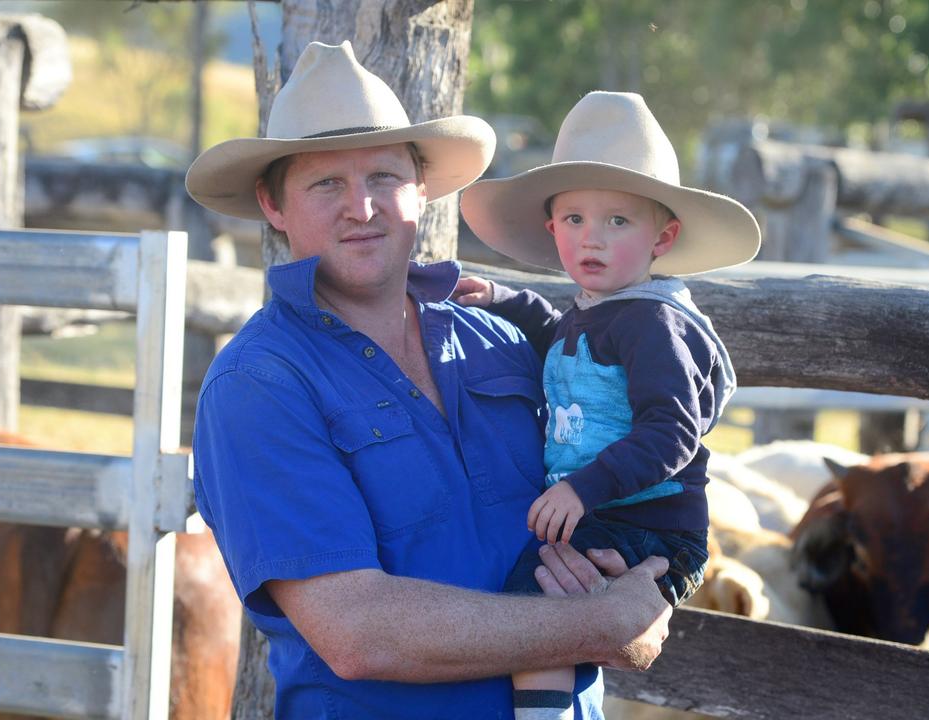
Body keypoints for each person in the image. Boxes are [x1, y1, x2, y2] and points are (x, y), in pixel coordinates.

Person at [184, 42, 672, 719]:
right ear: (273, 204)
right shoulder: (258, 384)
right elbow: (357, 632)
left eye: (383, 177)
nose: (362, 207)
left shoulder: (500, 342)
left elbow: (621, 484)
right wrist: (604, 625)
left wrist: (646, 583)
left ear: (421, 188)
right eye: (326, 184)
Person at [454, 91, 761, 720]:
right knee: (559, 598)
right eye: (574, 220)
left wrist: (583, 489)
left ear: (662, 237)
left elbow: (672, 431)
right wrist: (503, 298)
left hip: (651, 519)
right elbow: (563, 340)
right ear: (552, 229)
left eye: (617, 221)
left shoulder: (652, 322)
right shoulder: (600, 310)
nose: (591, 237)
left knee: (532, 599)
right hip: (614, 513)